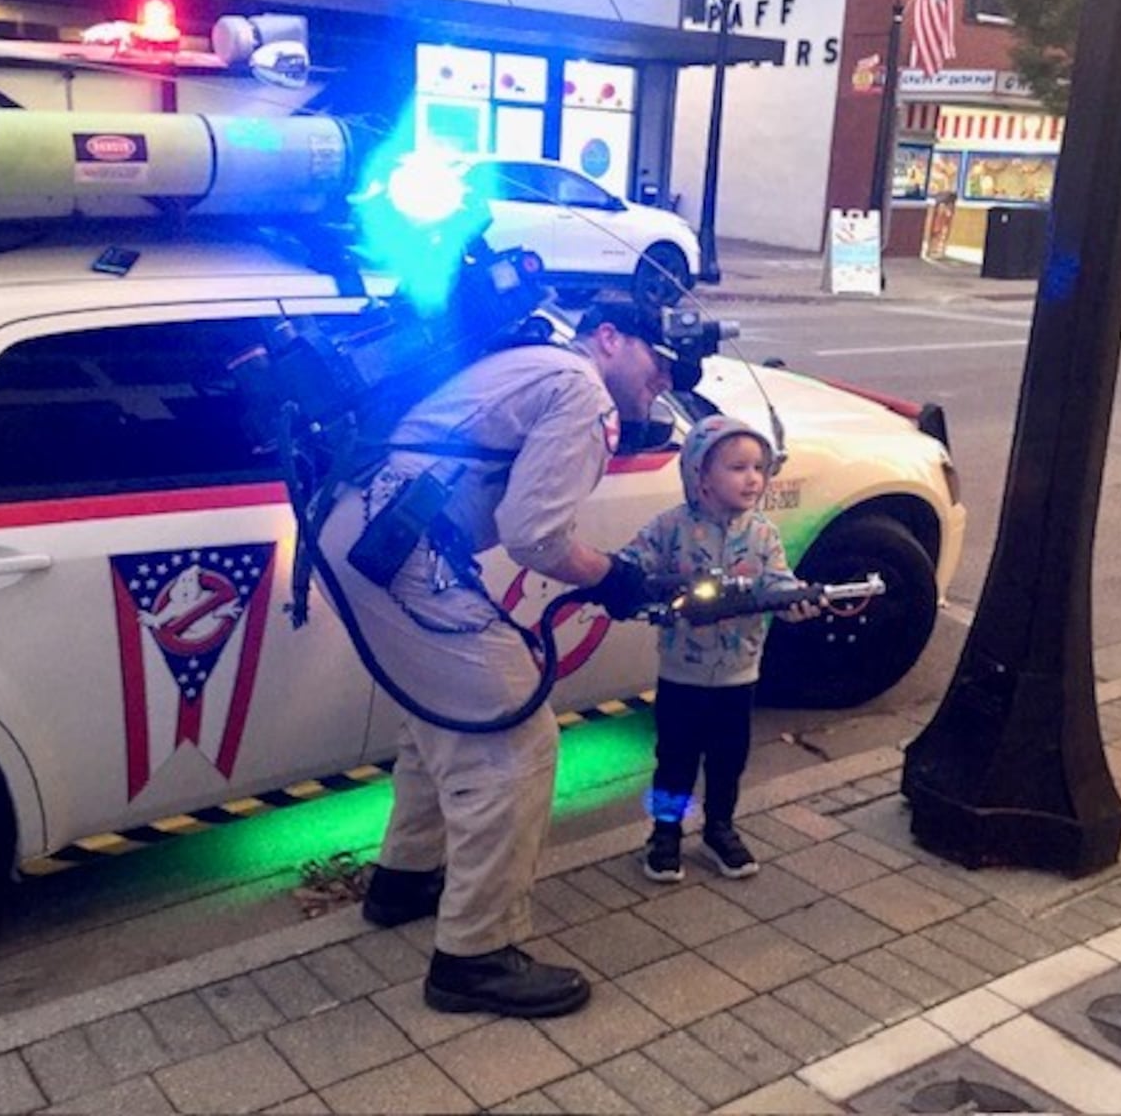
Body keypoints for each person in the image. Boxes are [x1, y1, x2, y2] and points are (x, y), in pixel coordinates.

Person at [316, 297, 672, 1019]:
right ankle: (474, 957)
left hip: (363, 533)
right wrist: (615, 576)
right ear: (609, 338)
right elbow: (533, 534)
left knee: (443, 718)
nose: (664, 381)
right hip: (399, 548)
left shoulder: (527, 359)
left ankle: (405, 881)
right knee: (515, 741)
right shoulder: (581, 390)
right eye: (658, 361)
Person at [617, 415, 816, 883]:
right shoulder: (669, 527)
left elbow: (778, 583)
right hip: (681, 674)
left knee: (729, 759)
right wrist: (633, 583)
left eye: (759, 468)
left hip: (739, 675)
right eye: (737, 467)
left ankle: (720, 827)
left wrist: (796, 602)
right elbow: (631, 564)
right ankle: (664, 833)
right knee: (675, 758)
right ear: (700, 475)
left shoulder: (763, 534)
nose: (753, 479)